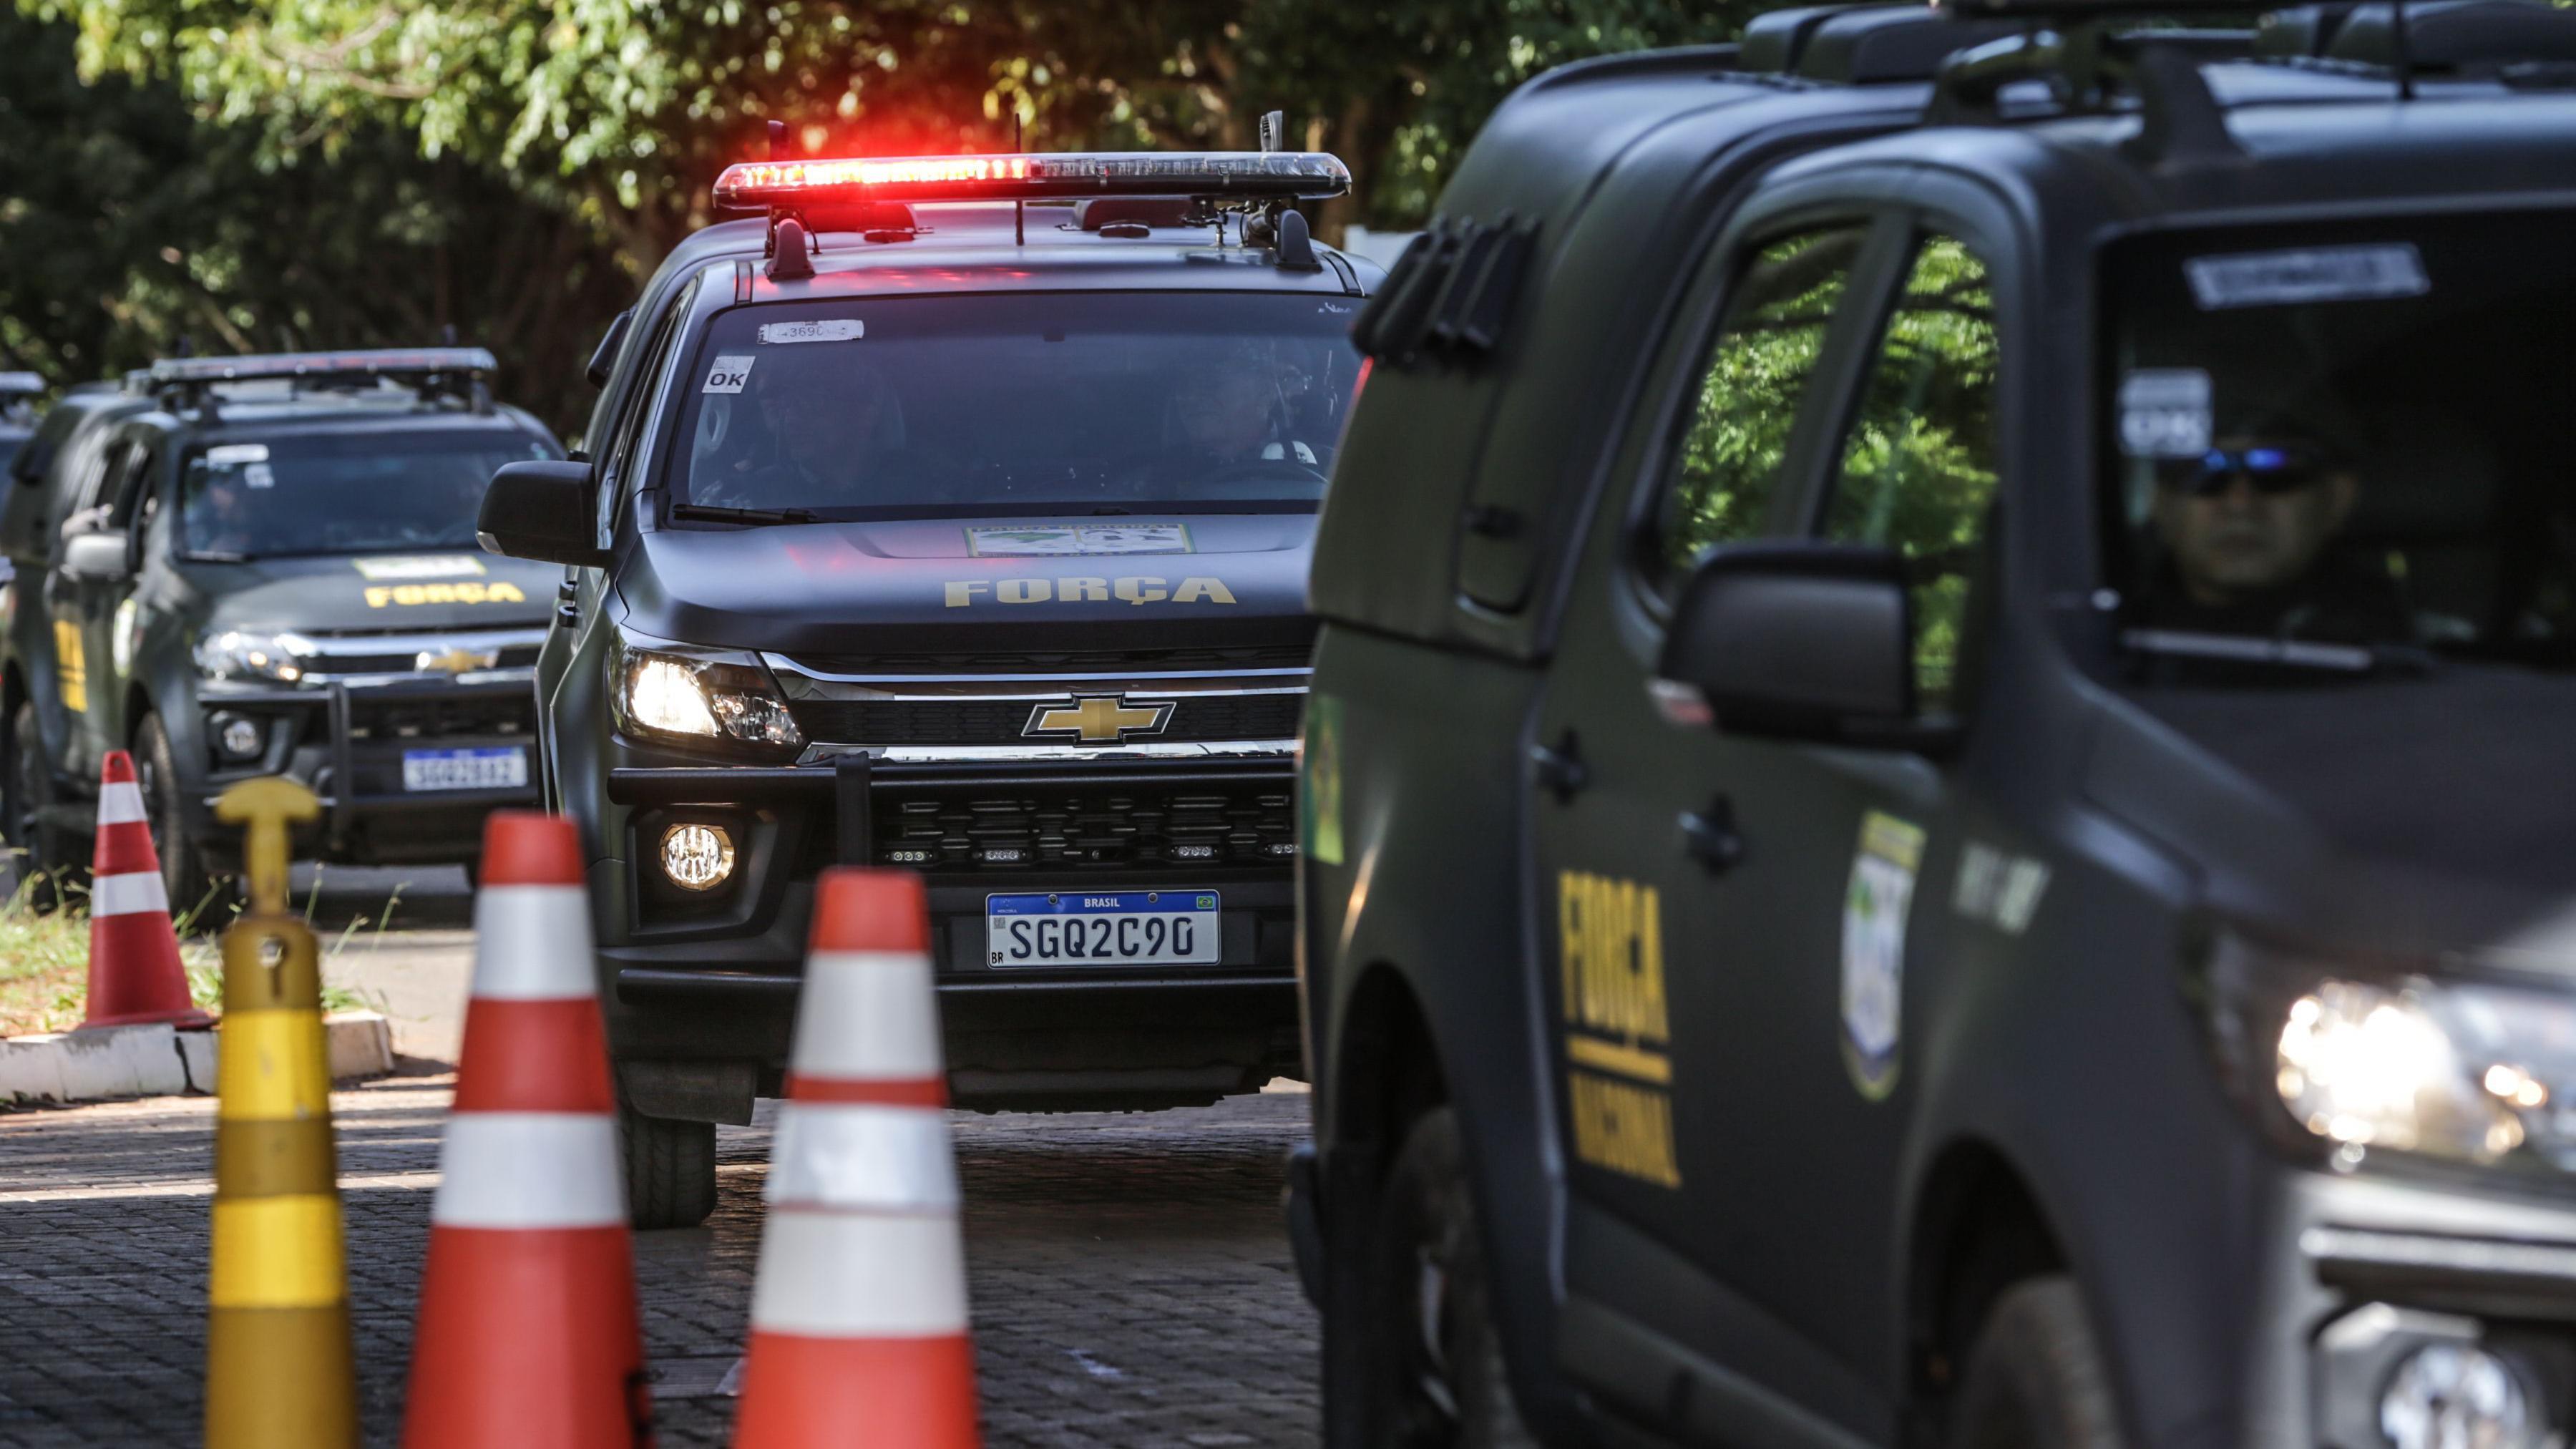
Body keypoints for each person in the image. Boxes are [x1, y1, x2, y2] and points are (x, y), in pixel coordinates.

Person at [2141, 424, 2410, 643]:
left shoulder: (2400, 658)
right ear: (2158, 500)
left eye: (2276, 470)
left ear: (2338, 498)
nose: (2240, 504)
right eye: (2203, 471)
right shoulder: (2114, 634)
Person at [703, 358, 902, 507]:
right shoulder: (742, 501)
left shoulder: (924, 487)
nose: (791, 420)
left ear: (864, 412)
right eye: (787, 406)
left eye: (812, 403)